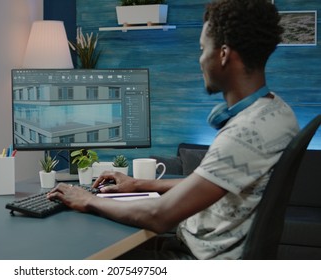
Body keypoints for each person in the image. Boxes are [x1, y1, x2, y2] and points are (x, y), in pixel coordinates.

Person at [47, 0, 300, 259]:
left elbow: (160, 216)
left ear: (223, 54)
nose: (200, 60)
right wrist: (138, 183)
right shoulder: (278, 112)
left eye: (203, 49)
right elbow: (205, 182)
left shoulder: (244, 133)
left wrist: (88, 199)